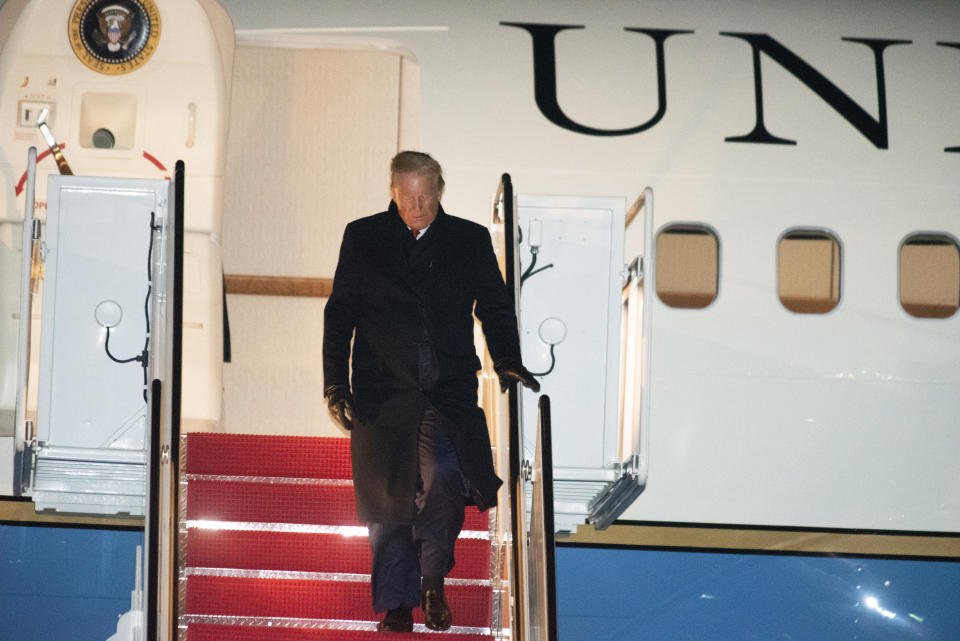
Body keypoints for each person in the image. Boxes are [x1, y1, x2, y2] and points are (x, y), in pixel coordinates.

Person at [322, 151, 539, 633]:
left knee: (441, 475)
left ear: (441, 188)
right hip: (382, 392)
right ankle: (396, 605)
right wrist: (335, 383)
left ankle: (432, 580)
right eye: (407, 197)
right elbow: (340, 315)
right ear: (393, 193)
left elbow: (497, 310)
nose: (418, 206)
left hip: (447, 391)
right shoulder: (363, 237)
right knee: (388, 502)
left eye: (426, 195)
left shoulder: (469, 239)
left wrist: (506, 358)